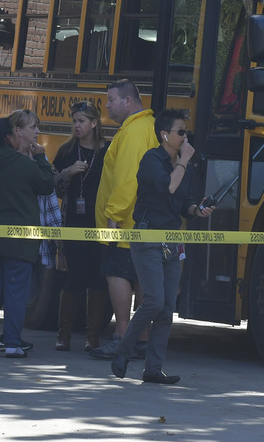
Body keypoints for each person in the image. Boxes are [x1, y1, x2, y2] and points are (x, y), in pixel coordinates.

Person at [111, 109, 214, 384]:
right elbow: (167, 187)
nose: (185, 137)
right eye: (181, 132)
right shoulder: (152, 160)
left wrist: (197, 209)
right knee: (154, 300)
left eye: (187, 133)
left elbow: (181, 202)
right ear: (165, 135)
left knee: (167, 307)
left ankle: (153, 369)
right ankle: (123, 349)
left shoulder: (182, 165)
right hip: (147, 238)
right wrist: (183, 163)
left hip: (172, 238)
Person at [0, 110, 56, 358]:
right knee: (15, 293)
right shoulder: (24, 164)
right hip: (19, 242)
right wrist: (41, 158)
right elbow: (46, 185)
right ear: (10, 138)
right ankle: (12, 343)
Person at [89, 78, 156, 361]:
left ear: (128, 101)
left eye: (111, 100)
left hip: (125, 224)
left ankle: (122, 337)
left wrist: (113, 215)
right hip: (145, 222)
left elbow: (129, 178)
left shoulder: (132, 133)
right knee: (142, 279)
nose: (106, 106)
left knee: (118, 275)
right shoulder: (148, 127)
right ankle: (141, 339)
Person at [52, 100, 110, 351]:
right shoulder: (67, 150)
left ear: (94, 123)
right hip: (73, 222)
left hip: (100, 222)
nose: (77, 126)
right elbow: (53, 187)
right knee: (73, 278)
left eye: (82, 121)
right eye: (74, 121)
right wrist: (67, 173)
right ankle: (63, 334)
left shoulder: (107, 151)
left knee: (98, 279)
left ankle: (93, 336)